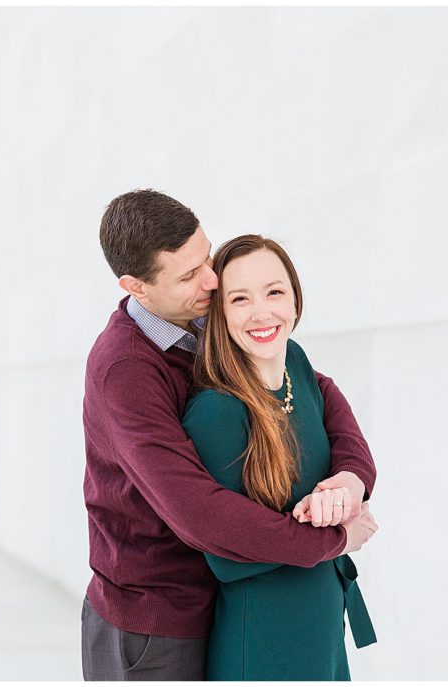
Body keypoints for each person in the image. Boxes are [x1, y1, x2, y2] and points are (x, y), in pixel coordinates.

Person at [82, 189, 378, 681]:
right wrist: (336, 539)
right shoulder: (126, 369)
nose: (212, 281)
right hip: (154, 620)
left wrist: (352, 478)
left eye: (206, 258)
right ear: (136, 286)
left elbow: (314, 390)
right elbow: (199, 513)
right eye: (188, 275)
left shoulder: (203, 321)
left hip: (222, 600)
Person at [182, 235, 377, 681]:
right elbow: (225, 552)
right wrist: (337, 537)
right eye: (240, 299)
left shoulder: (297, 366)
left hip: (322, 624)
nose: (262, 312)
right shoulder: (218, 411)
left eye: (274, 292)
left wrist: (346, 485)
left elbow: (344, 433)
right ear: (220, 313)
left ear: (294, 298)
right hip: (266, 640)